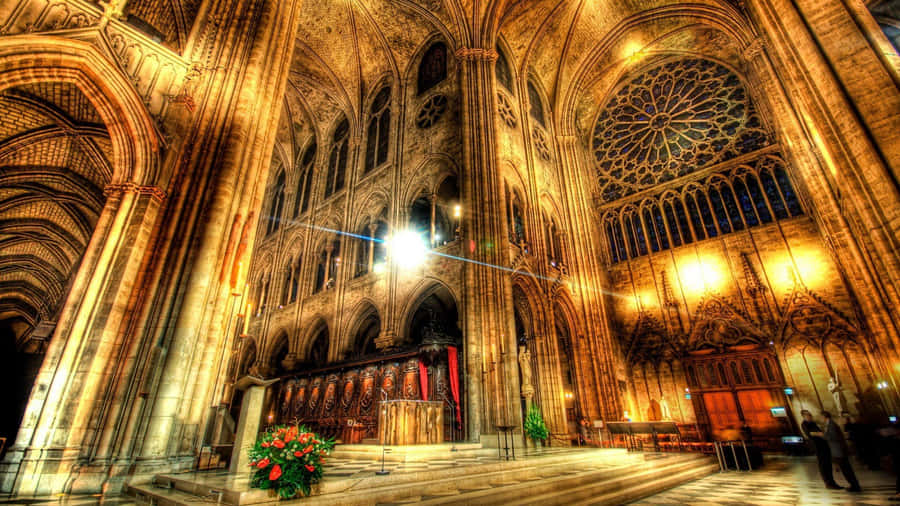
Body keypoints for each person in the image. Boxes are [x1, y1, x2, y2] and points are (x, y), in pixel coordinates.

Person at [823, 411, 862, 492]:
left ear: (824, 417)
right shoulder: (829, 424)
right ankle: (854, 485)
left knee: (846, 470)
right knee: (845, 469)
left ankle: (855, 486)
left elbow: (833, 437)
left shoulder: (831, 424)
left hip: (838, 451)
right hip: (837, 450)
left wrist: (823, 435)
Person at [801, 409, 840, 489]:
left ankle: (832, 482)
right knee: (823, 464)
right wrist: (821, 434)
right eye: (808, 415)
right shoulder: (804, 424)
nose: (810, 416)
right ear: (804, 416)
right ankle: (828, 483)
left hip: (824, 445)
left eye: (810, 415)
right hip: (818, 446)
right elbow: (810, 433)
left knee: (828, 464)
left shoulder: (813, 423)